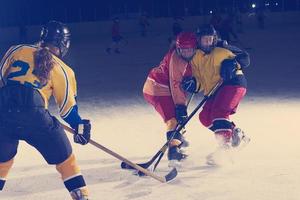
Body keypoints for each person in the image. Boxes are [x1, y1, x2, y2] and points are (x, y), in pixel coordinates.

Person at [0, 21, 91, 200]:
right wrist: (79, 126)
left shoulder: (16, 50)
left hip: (4, 114)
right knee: (66, 160)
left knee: (2, 162)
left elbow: (2, 82)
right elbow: (67, 110)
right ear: (63, 44)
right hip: (36, 119)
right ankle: (82, 196)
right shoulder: (63, 70)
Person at [183, 24, 249, 149]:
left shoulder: (222, 48)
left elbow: (245, 58)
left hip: (233, 83)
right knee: (205, 118)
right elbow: (200, 80)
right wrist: (193, 84)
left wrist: (233, 63)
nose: (209, 42)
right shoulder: (194, 56)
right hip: (215, 89)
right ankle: (235, 132)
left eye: (211, 39)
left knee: (219, 112)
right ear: (198, 39)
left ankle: (225, 146)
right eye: (205, 39)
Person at [143, 32, 197, 165]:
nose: (186, 53)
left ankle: (178, 138)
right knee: (173, 120)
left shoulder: (194, 55)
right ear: (178, 49)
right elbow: (175, 85)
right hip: (157, 90)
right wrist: (180, 106)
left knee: (178, 119)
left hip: (167, 90)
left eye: (190, 50)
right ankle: (173, 153)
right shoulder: (176, 60)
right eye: (183, 50)